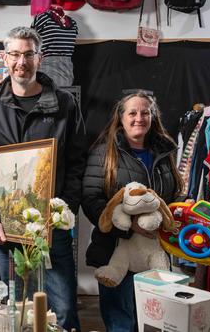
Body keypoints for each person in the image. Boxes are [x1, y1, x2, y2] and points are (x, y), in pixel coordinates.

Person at [0, 26, 86, 331]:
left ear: (40, 58)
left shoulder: (65, 104)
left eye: (29, 54)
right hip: (5, 228)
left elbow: (77, 162)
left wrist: (64, 210)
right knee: (17, 310)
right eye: (15, 54)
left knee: (61, 307)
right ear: (5, 58)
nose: (22, 61)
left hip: (52, 226)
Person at [81, 92, 184, 332]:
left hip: (154, 253)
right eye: (133, 113)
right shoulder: (103, 152)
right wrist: (127, 226)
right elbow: (90, 199)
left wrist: (178, 211)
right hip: (115, 250)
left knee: (153, 321)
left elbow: (174, 193)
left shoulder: (164, 151)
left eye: (145, 112)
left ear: (153, 116)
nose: (139, 118)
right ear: (121, 117)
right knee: (121, 322)